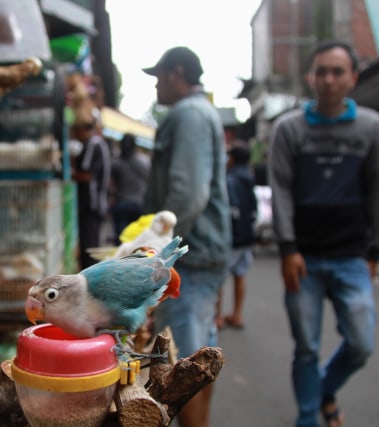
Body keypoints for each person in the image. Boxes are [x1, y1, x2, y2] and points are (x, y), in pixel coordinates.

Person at [268, 40, 379, 427]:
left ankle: (323, 391)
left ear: (353, 77)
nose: (329, 79)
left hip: (352, 257)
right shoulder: (288, 128)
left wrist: (376, 251)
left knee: (360, 344)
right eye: (321, 71)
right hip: (302, 258)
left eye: (338, 71)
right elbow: (281, 190)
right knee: (306, 347)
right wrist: (288, 248)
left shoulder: (371, 127)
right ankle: (308, 417)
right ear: (310, 77)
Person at [142, 46, 231, 427]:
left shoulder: (189, 114)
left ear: (177, 73)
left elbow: (188, 195)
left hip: (188, 262)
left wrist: (157, 253)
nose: (157, 85)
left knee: (184, 370)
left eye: (159, 76)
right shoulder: (199, 112)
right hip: (202, 257)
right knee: (200, 363)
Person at [215, 140, 258, 330]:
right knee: (241, 275)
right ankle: (237, 314)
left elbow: (229, 209)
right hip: (247, 235)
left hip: (233, 237)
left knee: (220, 277)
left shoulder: (230, 179)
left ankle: (218, 317)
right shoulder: (249, 177)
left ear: (231, 158)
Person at [71, 107, 111, 269]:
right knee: (91, 245)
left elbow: (86, 174)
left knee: (90, 248)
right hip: (94, 205)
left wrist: (71, 173)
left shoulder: (92, 144)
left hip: (91, 205)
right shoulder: (98, 143)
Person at [110, 133, 150, 242]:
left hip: (122, 203)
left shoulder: (116, 163)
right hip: (138, 204)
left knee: (121, 240)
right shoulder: (143, 162)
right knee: (137, 240)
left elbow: (112, 184)